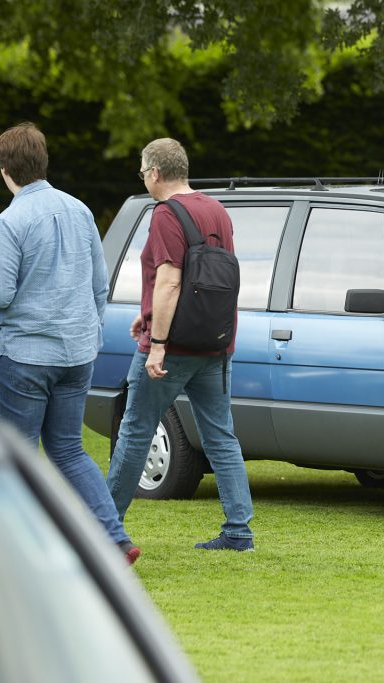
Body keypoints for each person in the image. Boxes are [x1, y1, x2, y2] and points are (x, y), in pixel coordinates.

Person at [0, 123, 140, 565]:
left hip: (24, 356)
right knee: (69, 450)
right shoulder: (80, 211)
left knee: (16, 457)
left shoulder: (9, 221)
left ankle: (18, 552)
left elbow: (0, 293)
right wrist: (86, 330)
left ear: (5, 168)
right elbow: (99, 285)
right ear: (42, 161)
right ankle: (115, 539)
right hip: (77, 354)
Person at [106, 137, 255, 552]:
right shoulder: (218, 211)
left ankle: (105, 529)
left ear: (154, 173)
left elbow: (172, 279)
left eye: (142, 171)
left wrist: (156, 343)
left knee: (135, 433)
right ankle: (239, 531)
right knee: (221, 436)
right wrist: (148, 311)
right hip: (216, 343)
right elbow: (209, 279)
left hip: (171, 350)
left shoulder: (166, 215)